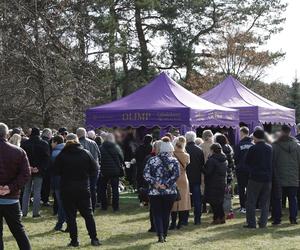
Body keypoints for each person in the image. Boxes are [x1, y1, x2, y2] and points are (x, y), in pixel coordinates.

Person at [53, 133, 100, 247]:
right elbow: (95, 169)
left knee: (71, 216)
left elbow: (55, 171)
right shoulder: (85, 153)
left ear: (66, 141)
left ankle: (74, 241)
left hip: (67, 188)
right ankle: (94, 238)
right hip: (83, 187)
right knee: (88, 215)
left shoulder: (62, 155)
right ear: (77, 140)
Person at [0, 123, 31, 250]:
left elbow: (25, 174)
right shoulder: (18, 151)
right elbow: (25, 174)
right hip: (11, 198)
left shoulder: (19, 151)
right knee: (18, 230)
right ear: (7, 134)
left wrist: (9, 187)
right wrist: (10, 187)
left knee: (18, 230)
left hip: (10, 195)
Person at [144, 137, 179, 243]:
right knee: (166, 213)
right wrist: (166, 185)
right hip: (170, 192)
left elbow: (145, 174)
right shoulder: (174, 160)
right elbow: (176, 175)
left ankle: (160, 235)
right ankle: (165, 234)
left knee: (157, 213)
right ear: (170, 150)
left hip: (155, 192)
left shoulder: (152, 160)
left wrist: (156, 184)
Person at [244, 129, 272, 229]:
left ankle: (251, 223)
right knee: (265, 202)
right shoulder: (270, 148)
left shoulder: (253, 148)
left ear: (255, 137)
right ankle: (263, 223)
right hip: (267, 178)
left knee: (251, 201)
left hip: (255, 178)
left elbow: (247, 162)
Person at [272, 125, 300, 225]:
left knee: (278, 199)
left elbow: (272, 161)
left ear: (281, 132)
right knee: (293, 199)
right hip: (293, 176)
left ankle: (277, 219)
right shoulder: (297, 145)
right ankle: (293, 219)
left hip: (279, 176)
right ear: (290, 132)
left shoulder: (275, 145)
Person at [21, 127, 50, 218]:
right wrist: (39, 168)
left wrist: (28, 167)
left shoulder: (25, 143)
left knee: (26, 191)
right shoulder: (44, 144)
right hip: (39, 170)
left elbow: (21, 157)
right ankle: (35, 213)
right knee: (37, 191)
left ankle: (24, 212)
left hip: (27, 169)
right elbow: (46, 158)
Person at [77, 128, 101, 211]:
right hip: (94, 168)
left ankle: (83, 207)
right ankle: (92, 207)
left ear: (77, 134)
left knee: (82, 189)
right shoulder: (93, 142)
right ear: (85, 134)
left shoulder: (77, 143)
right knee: (92, 188)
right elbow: (99, 155)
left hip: (83, 170)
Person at [203, 143, 228, 224]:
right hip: (221, 182)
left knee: (214, 202)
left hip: (212, 183)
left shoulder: (212, 160)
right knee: (219, 201)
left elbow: (208, 172)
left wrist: (202, 168)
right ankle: (222, 217)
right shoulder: (224, 159)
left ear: (212, 150)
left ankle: (216, 218)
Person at [169, 136, 191, 230]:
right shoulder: (186, 155)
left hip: (174, 178)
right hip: (183, 178)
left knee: (174, 201)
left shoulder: (171, 155)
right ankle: (181, 222)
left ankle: (173, 223)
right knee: (183, 201)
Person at [99, 133, 124, 211]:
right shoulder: (116, 147)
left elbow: (99, 159)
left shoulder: (101, 147)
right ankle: (115, 207)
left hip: (104, 171)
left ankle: (104, 206)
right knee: (115, 189)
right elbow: (121, 158)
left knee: (103, 189)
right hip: (115, 171)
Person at [185, 131, 205, 225]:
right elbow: (202, 165)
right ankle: (197, 220)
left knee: (185, 199)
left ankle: (184, 219)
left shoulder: (184, 150)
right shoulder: (199, 150)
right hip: (196, 178)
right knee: (197, 200)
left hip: (186, 178)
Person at [234, 127, 254, 213]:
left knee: (241, 188)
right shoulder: (253, 145)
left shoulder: (239, 145)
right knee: (250, 188)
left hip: (241, 170)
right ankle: (250, 205)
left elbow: (236, 158)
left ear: (242, 133)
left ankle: (243, 207)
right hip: (251, 170)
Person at [50, 135, 66, 231]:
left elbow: (53, 170)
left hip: (58, 181)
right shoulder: (67, 150)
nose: (51, 144)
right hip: (68, 180)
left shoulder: (54, 153)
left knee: (61, 203)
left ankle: (60, 223)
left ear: (56, 142)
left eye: (52, 142)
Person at [135, 134, 153, 203]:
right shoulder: (151, 148)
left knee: (140, 183)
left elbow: (135, 156)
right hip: (148, 167)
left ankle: (141, 198)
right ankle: (147, 198)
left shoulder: (139, 147)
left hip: (140, 167)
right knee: (147, 184)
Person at [41, 128, 52, 207]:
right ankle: (45, 200)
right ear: (48, 134)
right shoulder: (48, 142)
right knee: (46, 184)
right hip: (47, 166)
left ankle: (39, 198)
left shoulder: (40, 141)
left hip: (37, 166)